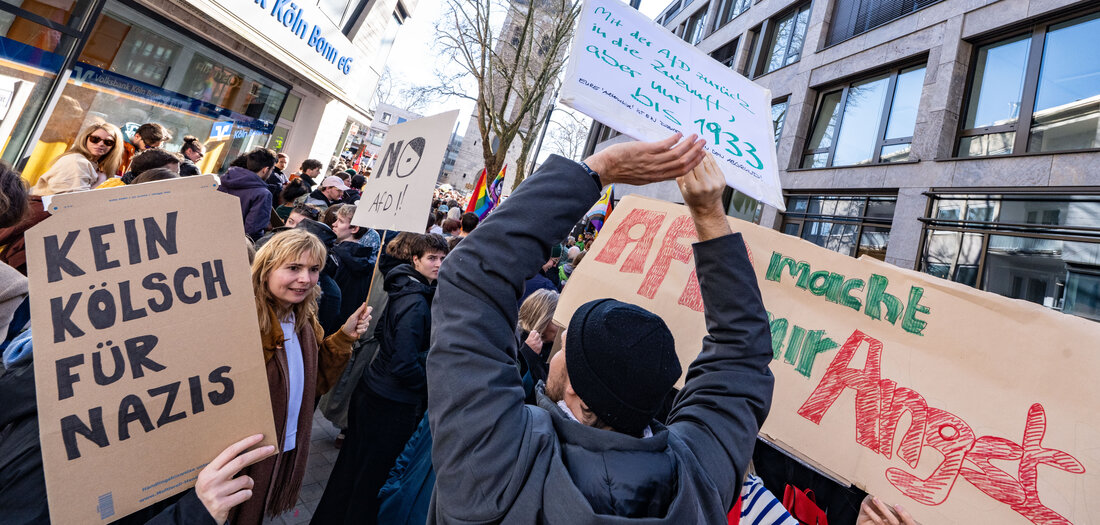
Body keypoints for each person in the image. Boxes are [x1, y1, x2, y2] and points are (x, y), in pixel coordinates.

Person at [426, 134, 775, 523]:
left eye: (565, 351)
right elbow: (743, 354)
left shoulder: (497, 462)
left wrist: (599, 170)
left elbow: (472, 274)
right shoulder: (699, 482)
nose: (555, 355)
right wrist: (710, 212)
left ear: (577, 392)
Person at [234, 228, 371, 524]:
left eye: (313, 269)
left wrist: (344, 337)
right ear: (266, 269)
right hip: (241, 454)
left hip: (282, 444)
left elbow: (315, 382)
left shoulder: (304, 319)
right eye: (293, 268)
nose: (305, 279)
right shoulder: (242, 320)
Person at [313, 233, 449, 525]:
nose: (438, 264)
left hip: (376, 392)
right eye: (432, 258)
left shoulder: (409, 289)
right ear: (415, 260)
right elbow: (403, 364)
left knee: (352, 470)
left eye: (442, 258)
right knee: (368, 478)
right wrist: (431, 387)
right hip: (389, 403)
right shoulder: (416, 302)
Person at [30, 123, 124, 196]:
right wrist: (100, 181)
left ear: (114, 147)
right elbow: (76, 202)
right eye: (95, 139)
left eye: (108, 142)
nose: (100, 144)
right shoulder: (76, 161)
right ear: (85, 138)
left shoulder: (93, 164)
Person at [218, 147, 276, 241]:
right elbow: (253, 231)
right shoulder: (263, 194)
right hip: (234, 245)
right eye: (272, 169)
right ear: (265, 169)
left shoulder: (225, 179)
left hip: (212, 237)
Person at [330, 204, 376, 322]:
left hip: (331, 321)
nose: (334, 224)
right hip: (350, 321)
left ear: (354, 228)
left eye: (340, 221)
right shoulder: (367, 259)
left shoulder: (334, 256)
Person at [517, 289, 559, 405]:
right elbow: (509, 387)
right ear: (542, 319)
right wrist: (527, 354)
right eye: (556, 321)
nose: (561, 326)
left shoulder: (551, 347)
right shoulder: (515, 343)